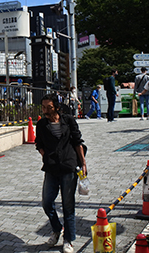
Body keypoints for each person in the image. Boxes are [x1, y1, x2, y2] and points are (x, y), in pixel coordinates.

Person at [35, 94, 87, 253]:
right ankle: (57, 229)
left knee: (68, 205)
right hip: (51, 168)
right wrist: (46, 156)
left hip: (68, 166)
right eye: (43, 107)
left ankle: (68, 240)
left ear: (57, 107)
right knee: (47, 202)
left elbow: (78, 142)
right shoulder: (42, 124)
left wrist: (83, 163)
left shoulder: (68, 120)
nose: (45, 111)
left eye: (48, 107)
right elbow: (39, 144)